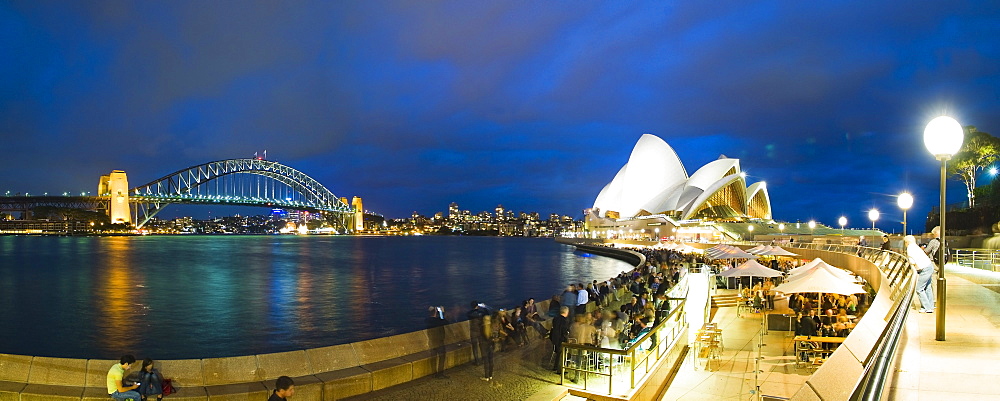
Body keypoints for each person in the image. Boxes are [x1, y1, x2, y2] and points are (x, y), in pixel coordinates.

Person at [906, 235, 936, 313]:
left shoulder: (910, 248)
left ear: (907, 242)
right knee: (927, 287)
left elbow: (912, 260)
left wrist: (911, 266)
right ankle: (930, 306)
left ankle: (926, 307)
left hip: (924, 269)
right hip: (929, 266)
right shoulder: (915, 246)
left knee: (919, 289)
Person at [426, 306, 448, 378]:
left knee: (433, 357)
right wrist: (442, 312)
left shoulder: (427, 320)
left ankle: (433, 373)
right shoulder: (438, 320)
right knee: (442, 357)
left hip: (431, 341)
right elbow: (445, 322)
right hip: (439, 341)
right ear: (436, 312)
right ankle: (440, 374)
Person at [550, 306, 570, 373]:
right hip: (561, 339)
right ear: (566, 312)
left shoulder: (555, 319)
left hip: (554, 338)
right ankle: (560, 369)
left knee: (558, 353)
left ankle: (555, 367)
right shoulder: (564, 321)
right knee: (561, 353)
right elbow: (564, 330)